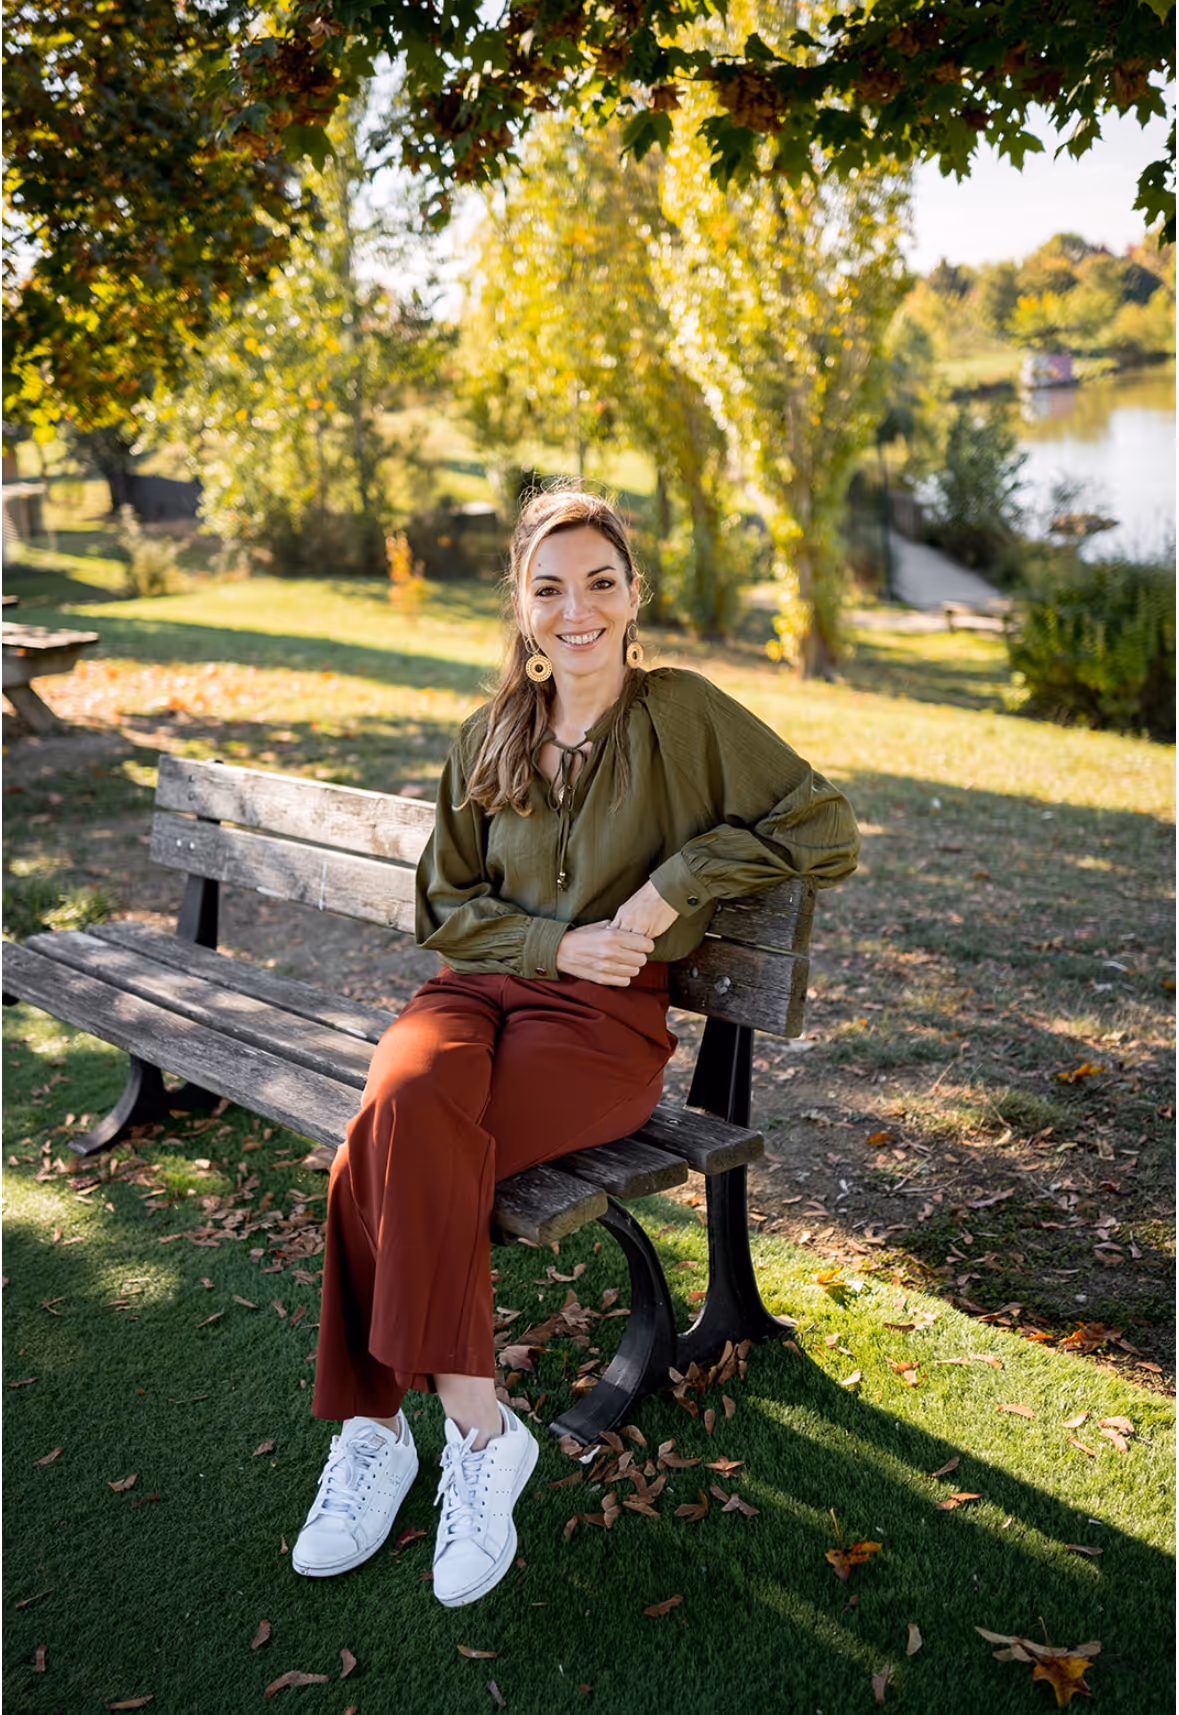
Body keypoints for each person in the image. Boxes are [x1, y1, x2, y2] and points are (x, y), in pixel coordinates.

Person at [292, 485, 859, 1604]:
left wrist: (668, 893)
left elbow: (825, 828)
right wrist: (558, 936)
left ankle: (374, 1424)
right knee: (403, 1102)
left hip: (600, 1032)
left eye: (601, 581)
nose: (577, 608)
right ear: (520, 604)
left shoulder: (682, 714)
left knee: (380, 1150)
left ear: (634, 594)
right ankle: (476, 1426)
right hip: (469, 999)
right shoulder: (490, 733)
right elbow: (444, 908)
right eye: (550, 586)